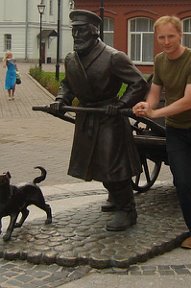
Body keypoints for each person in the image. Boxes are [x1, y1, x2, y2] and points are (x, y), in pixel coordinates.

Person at [50, 9, 148, 231]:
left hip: (109, 117)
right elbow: (68, 83)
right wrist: (60, 99)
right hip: (88, 116)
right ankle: (115, 198)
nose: (76, 35)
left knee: (112, 165)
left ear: (94, 31)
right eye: (74, 30)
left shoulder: (113, 57)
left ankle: (128, 210)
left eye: (81, 30)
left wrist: (122, 105)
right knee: (95, 164)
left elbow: (139, 83)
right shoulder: (71, 59)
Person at [133, 15, 191, 249]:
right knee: (183, 183)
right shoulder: (160, 61)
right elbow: (155, 91)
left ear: (180, 35)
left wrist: (156, 114)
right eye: (161, 37)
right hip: (176, 131)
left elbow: (188, 101)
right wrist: (148, 106)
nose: (166, 41)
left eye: (171, 36)